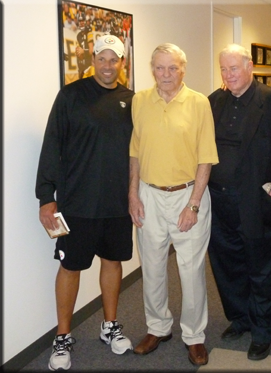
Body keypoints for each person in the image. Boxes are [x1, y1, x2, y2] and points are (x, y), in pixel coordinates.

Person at [36, 35, 134, 371]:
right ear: (93, 59)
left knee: (112, 261)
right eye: (102, 59)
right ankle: (62, 336)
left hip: (117, 204)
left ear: (123, 63)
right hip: (77, 203)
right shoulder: (70, 96)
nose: (108, 66)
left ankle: (109, 326)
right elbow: (52, 146)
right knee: (70, 267)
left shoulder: (132, 100)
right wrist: (46, 197)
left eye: (114, 59)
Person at [129, 43, 218, 366]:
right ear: (152, 69)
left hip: (188, 194)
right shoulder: (140, 101)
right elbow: (135, 151)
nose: (165, 75)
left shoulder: (198, 103)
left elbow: (206, 157)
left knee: (190, 270)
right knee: (151, 267)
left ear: (183, 69)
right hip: (148, 194)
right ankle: (157, 327)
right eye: (159, 68)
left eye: (172, 68)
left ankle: (194, 336)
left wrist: (193, 204)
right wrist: (133, 194)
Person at [207, 44, 271, 361]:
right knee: (228, 266)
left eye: (235, 68)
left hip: (257, 202)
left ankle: (264, 331)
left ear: (250, 66)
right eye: (224, 69)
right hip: (220, 202)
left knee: (262, 269)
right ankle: (240, 319)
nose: (229, 75)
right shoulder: (214, 101)